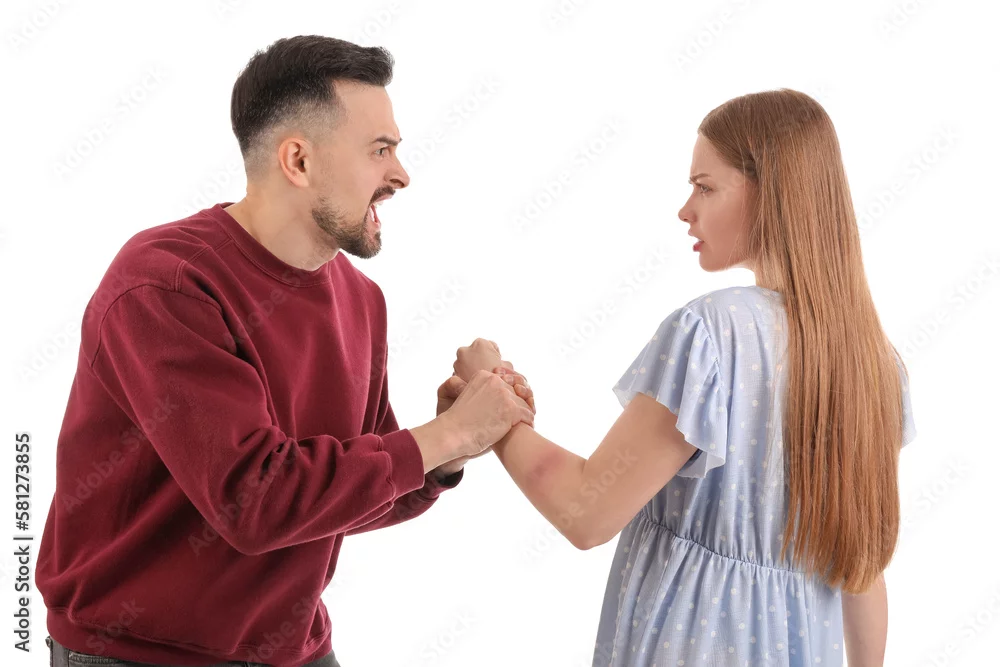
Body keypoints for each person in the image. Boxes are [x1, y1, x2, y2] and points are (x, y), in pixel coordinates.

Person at [36, 35, 534, 667]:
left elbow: (346, 491)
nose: (401, 175)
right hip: (137, 654)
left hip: (294, 649)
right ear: (298, 160)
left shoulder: (360, 298)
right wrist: (446, 435)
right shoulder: (166, 284)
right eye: (380, 150)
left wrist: (449, 451)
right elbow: (255, 501)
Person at [447, 89, 916, 666]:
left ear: (770, 193)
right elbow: (862, 570)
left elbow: (586, 512)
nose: (685, 209)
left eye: (705, 186)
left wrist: (491, 403)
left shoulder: (713, 335)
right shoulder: (874, 361)